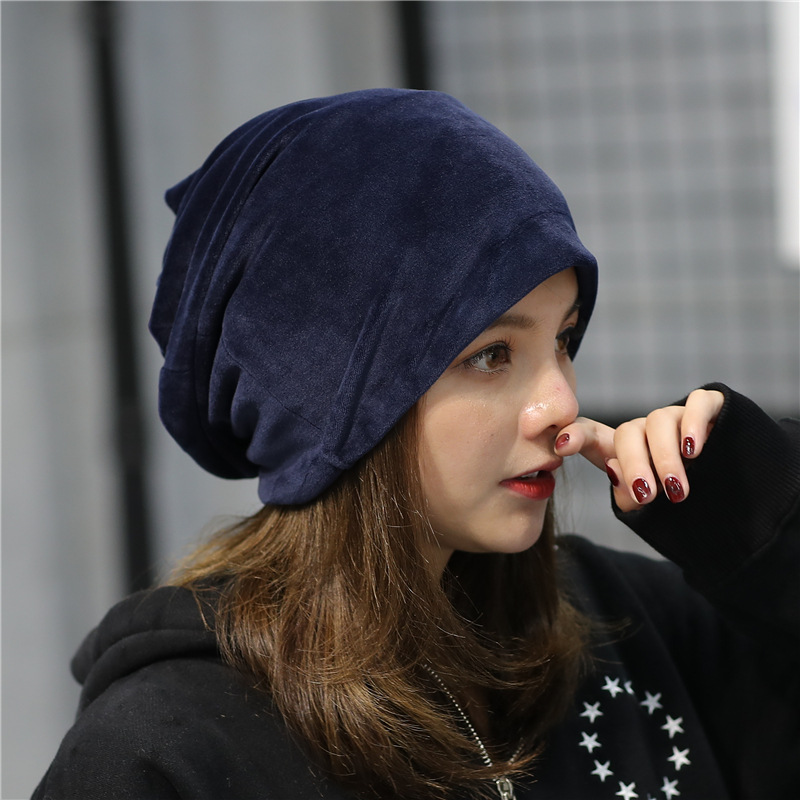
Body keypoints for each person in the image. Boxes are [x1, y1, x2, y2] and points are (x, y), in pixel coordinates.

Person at [33, 89, 799, 800]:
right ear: (336, 398)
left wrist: (762, 524)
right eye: (491, 354)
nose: (562, 403)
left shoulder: (625, 625)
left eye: (563, 340)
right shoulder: (166, 755)